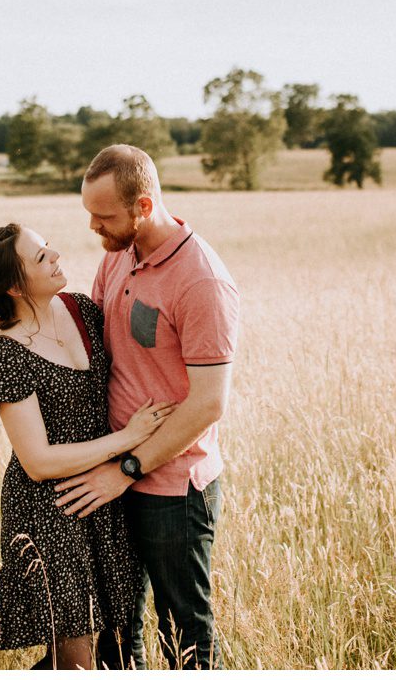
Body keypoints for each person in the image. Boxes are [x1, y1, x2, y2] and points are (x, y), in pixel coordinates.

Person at [56, 144, 240, 670]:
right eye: (88, 213)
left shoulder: (202, 281)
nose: (93, 227)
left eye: (104, 215)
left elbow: (208, 404)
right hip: (109, 474)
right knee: (116, 628)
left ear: (143, 206)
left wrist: (129, 468)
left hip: (173, 490)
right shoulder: (117, 254)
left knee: (184, 631)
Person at [0, 221, 175, 669]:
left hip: (107, 496)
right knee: (75, 657)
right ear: (14, 286)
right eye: (41, 257)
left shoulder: (83, 310)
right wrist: (127, 439)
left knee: (119, 642)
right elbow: (38, 462)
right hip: (51, 509)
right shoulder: (9, 355)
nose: (56, 256)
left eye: (49, 248)